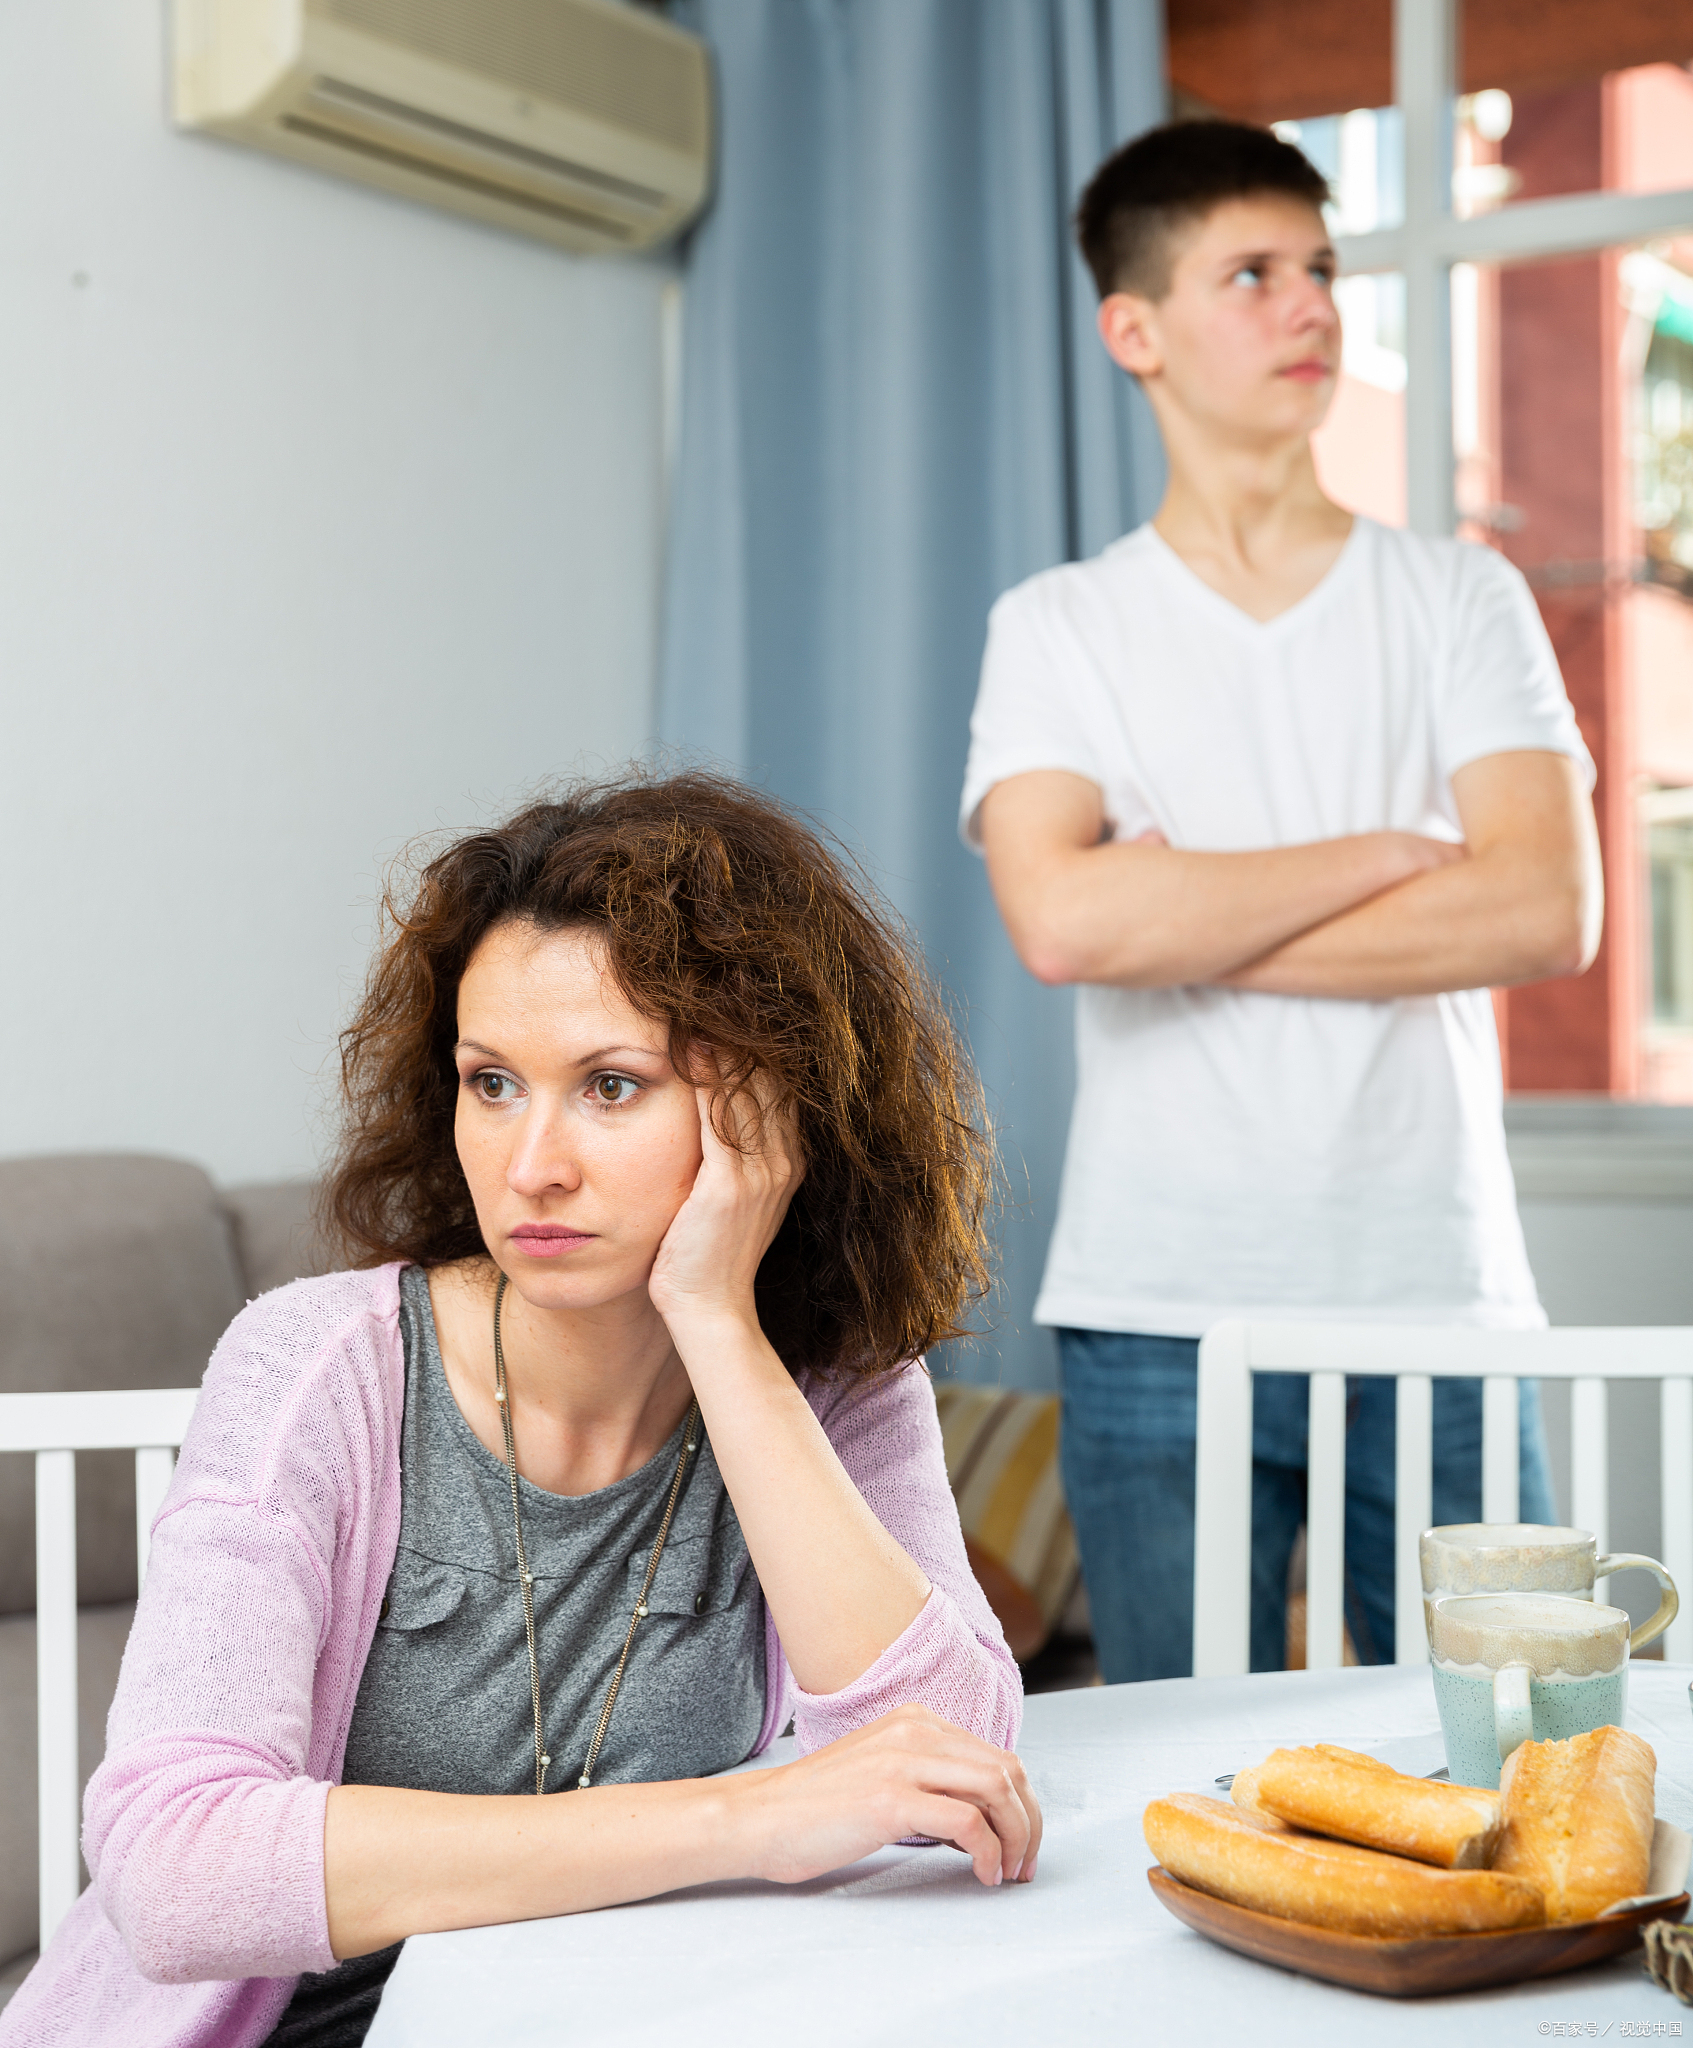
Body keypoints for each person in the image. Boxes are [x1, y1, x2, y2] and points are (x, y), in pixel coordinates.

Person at [5, 774, 1037, 2048]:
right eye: (491, 1082)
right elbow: (175, 1861)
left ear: (767, 1109)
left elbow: (948, 1762)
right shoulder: (313, 1368)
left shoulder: (830, 1387)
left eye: (610, 1085)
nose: (531, 1162)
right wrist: (740, 1824)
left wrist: (717, 1321)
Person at [960, 121, 1602, 1682]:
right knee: (1185, 1791)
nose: (1310, 306)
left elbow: (1542, 914)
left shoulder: (1462, 598)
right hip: (1157, 1299)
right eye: (1251, 275)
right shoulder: (1059, 626)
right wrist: (1385, 852)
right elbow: (1064, 927)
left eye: (1320, 269)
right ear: (1137, 331)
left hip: (1436, 1292)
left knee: (1512, 1758)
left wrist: (1183, 906)